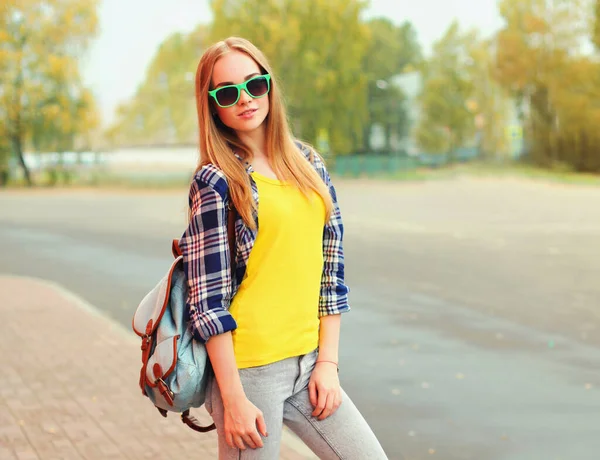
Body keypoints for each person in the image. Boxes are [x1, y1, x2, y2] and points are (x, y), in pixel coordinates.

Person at [178, 36, 388, 460]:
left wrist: (327, 364)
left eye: (254, 85)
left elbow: (331, 273)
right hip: (249, 373)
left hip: (309, 364)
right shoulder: (216, 182)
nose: (246, 99)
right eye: (228, 92)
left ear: (269, 84)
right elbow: (209, 304)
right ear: (213, 105)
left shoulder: (308, 163)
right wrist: (232, 398)